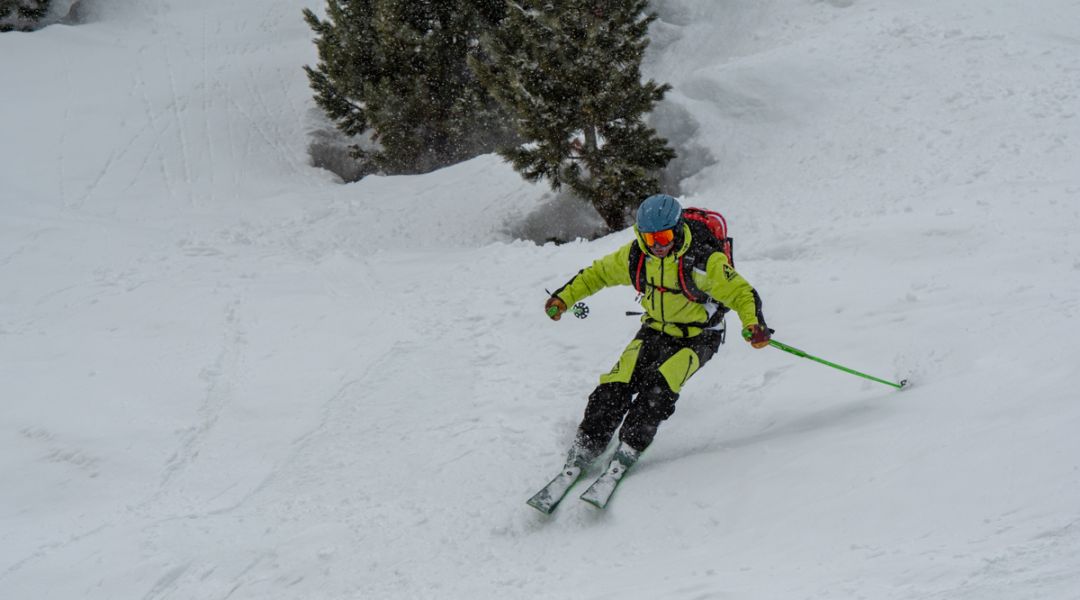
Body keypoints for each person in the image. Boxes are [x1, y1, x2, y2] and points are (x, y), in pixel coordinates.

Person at [544, 194, 772, 478]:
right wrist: (563, 299)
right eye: (649, 238)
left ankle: (630, 446)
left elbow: (741, 293)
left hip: (698, 337)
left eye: (663, 237)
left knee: (658, 390)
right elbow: (597, 274)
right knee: (614, 386)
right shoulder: (637, 255)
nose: (658, 246)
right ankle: (587, 444)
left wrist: (753, 325)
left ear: (677, 230)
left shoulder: (703, 261)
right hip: (654, 330)